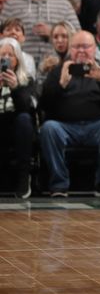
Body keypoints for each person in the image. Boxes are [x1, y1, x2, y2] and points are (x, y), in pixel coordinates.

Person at [39, 30, 100, 197]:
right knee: (49, 128)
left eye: (86, 46)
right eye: (77, 47)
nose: (81, 51)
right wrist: (61, 84)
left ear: (94, 49)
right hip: (65, 127)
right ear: (70, 49)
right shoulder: (57, 72)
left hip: (96, 126)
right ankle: (59, 184)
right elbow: (44, 105)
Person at [0, 0, 80, 65]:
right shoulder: (12, 5)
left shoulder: (64, 5)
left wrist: (53, 33)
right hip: (20, 66)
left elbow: (77, 35)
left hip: (56, 65)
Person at [0, 37, 35, 198]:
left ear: (18, 59)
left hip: (16, 127)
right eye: (2, 55)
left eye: (10, 55)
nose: (5, 58)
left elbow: (27, 108)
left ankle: (23, 176)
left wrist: (15, 88)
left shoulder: (26, 80)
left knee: (24, 120)